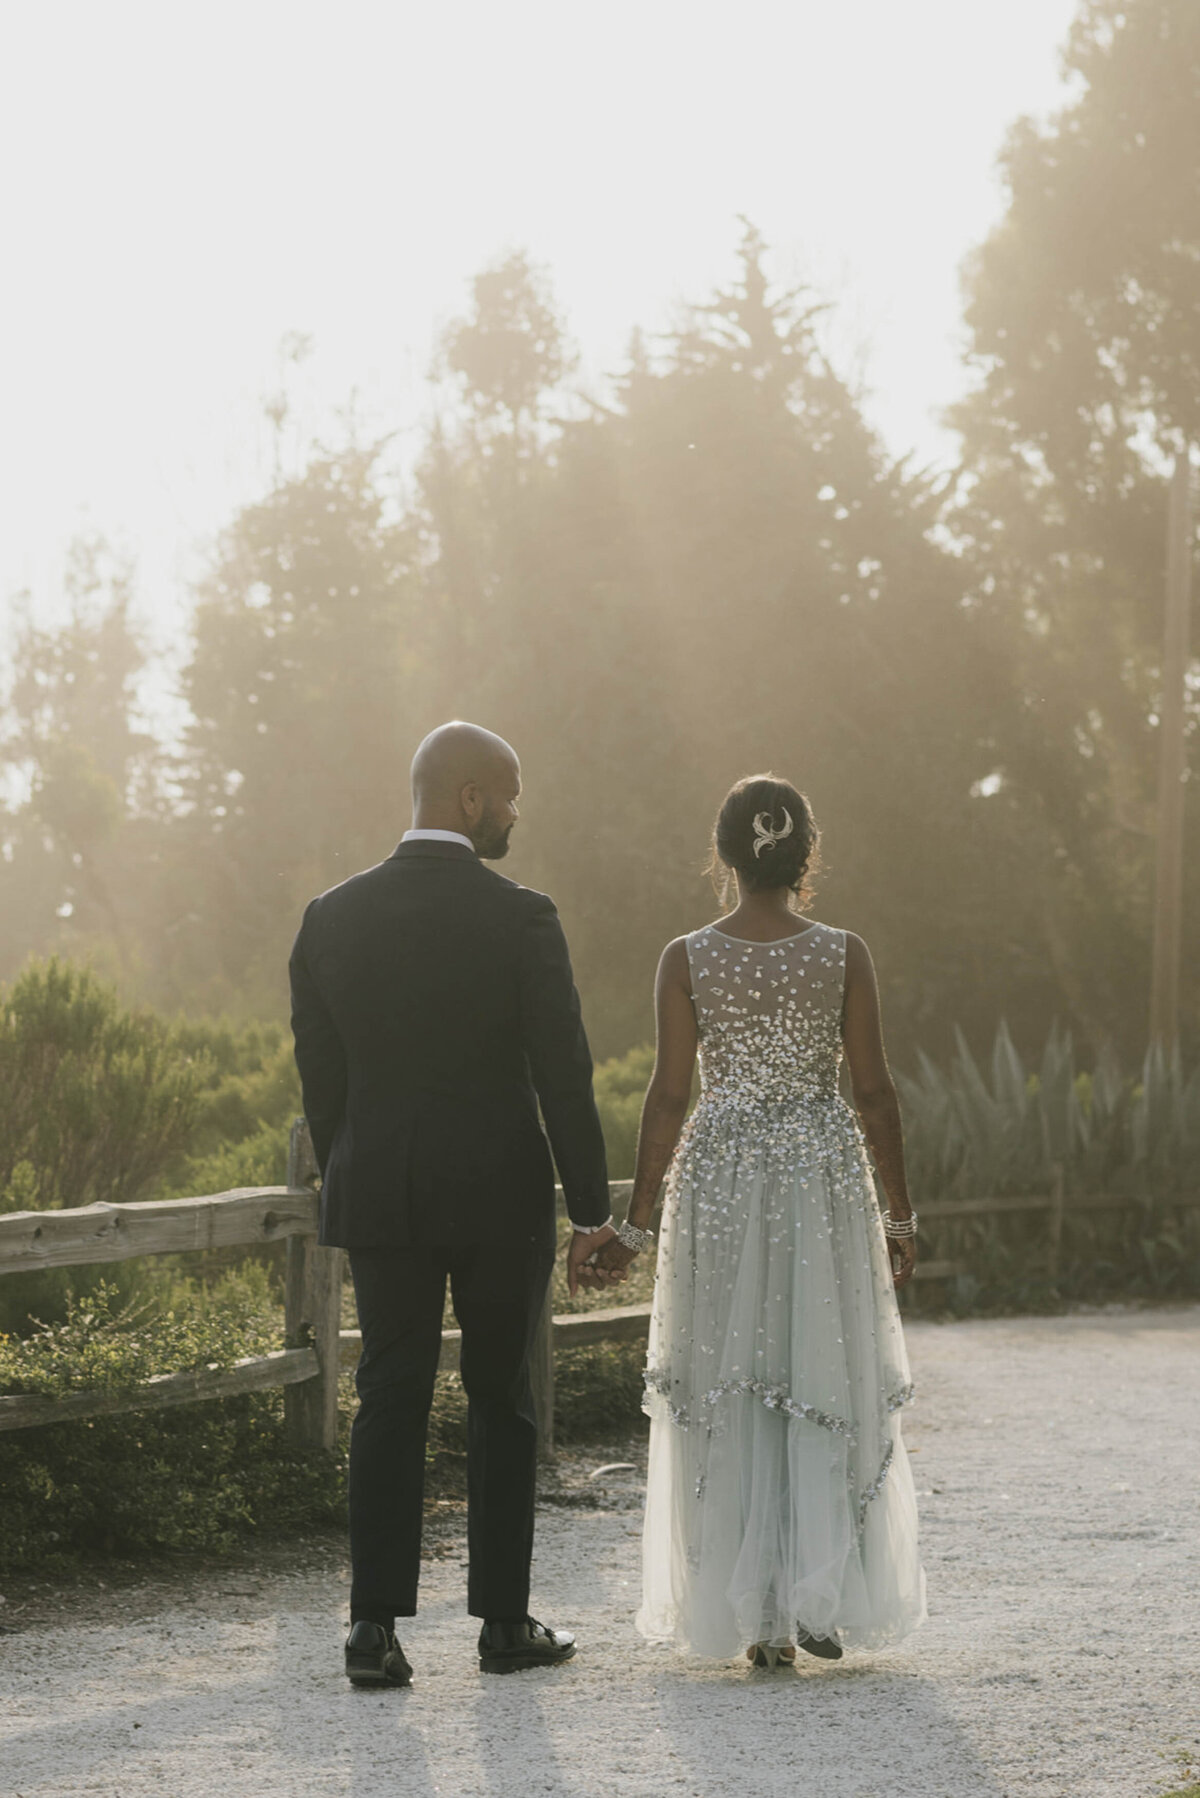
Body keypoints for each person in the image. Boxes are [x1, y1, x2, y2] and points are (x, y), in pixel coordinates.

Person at [289, 721, 617, 1686]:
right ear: (469, 798)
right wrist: (591, 1206)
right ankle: (504, 1626)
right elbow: (565, 1071)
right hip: (499, 1193)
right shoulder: (523, 917)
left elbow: (323, 1075)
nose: (517, 812)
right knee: (500, 1399)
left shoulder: (328, 917)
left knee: (388, 1391)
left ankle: (372, 1631)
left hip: (382, 1183)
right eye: (509, 793)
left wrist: (361, 1153)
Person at [589, 773, 926, 1666]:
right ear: (803, 854)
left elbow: (668, 1097)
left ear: (727, 854)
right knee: (818, 1364)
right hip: (819, 1174)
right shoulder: (844, 953)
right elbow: (874, 1094)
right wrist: (900, 1215)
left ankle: (760, 1612)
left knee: (733, 1377)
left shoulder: (685, 956)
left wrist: (636, 1224)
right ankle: (819, 1585)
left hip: (724, 1175)